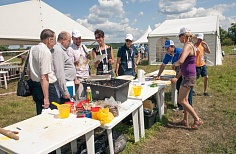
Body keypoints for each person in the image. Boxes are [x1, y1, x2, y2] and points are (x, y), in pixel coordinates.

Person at [173, 27, 203, 129]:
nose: (179, 38)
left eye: (179, 36)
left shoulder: (188, 46)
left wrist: (174, 64)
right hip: (187, 75)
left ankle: (197, 119)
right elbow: (185, 64)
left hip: (189, 77)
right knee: (185, 99)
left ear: (183, 36)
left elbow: (181, 61)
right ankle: (185, 120)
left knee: (181, 100)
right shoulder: (190, 45)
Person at [155, 40, 193, 112]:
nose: (166, 50)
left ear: (172, 47)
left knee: (187, 91)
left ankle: (188, 107)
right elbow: (163, 65)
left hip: (185, 72)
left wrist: (176, 77)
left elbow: (184, 66)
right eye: (165, 48)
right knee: (179, 88)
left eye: (167, 48)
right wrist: (158, 75)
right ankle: (181, 107)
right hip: (178, 71)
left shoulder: (179, 52)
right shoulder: (168, 55)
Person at [27, 29, 59, 115]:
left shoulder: (32, 49)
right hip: (46, 88)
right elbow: (44, 77)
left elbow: (28, 71)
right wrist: (46, 98)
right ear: (49, 40)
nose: (55, 43)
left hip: (35, 85)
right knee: (53, 113)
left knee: (39, 113)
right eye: (54, 40)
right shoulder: (45, 52)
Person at [52, 31, 77, 104]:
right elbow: (59, 71)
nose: (69, 43)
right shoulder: (58, 51)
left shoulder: (62, 50)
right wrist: (64, 91)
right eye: (68, 41)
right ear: (63, 40)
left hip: (67, 82)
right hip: (63, 84)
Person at [67, 30, 90, 100]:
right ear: (72, 39)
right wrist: (75, 79)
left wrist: (88, 57)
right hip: (79, 77)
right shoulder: (70, 49)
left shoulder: (83, 46)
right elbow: (70, 66)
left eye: (79, 38)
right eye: (76, 39)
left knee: (88, 97)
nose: (78, 40)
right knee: (80, 98)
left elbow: (88, 59)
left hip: (87, 76)